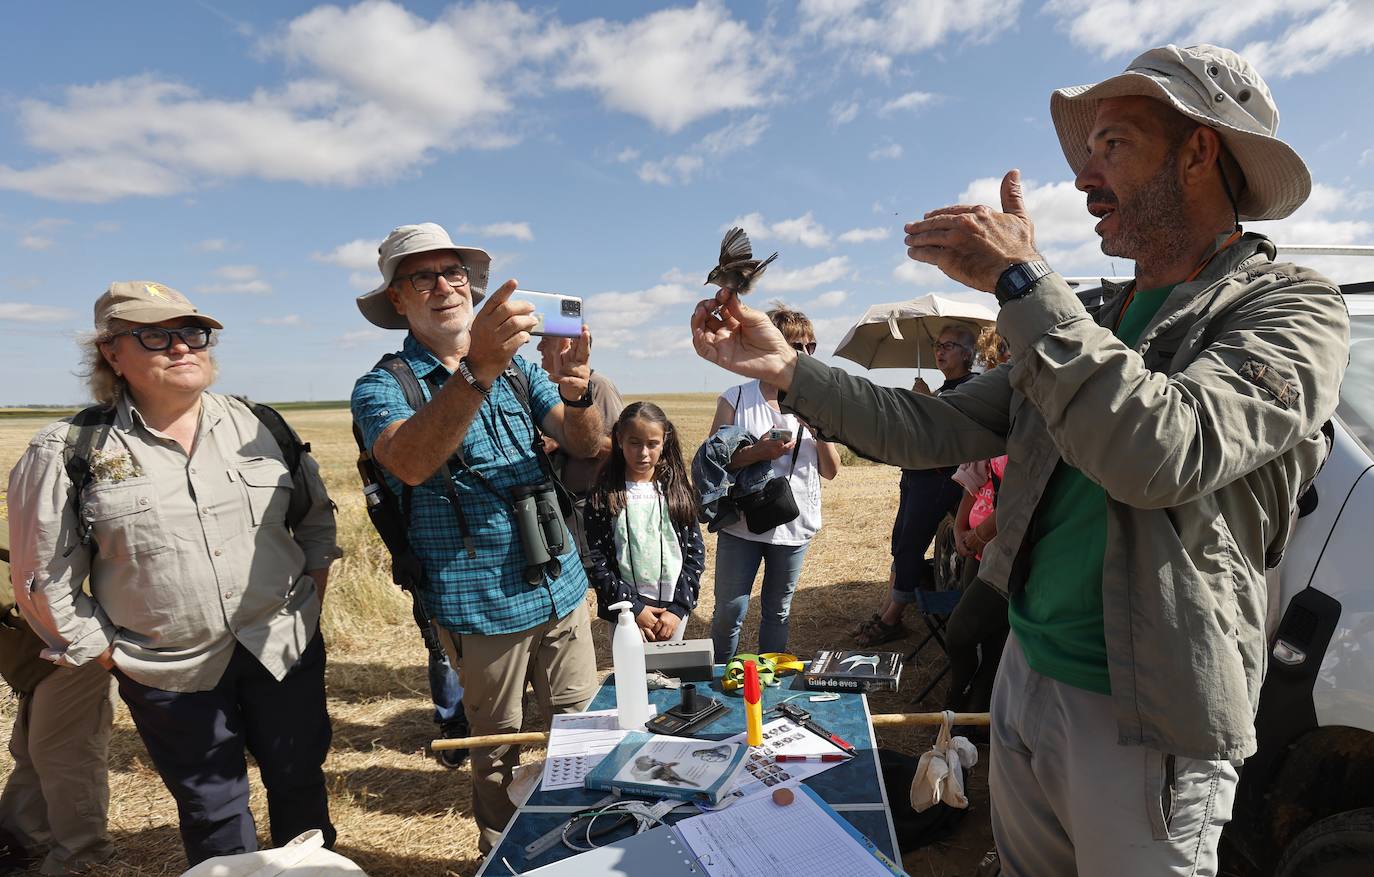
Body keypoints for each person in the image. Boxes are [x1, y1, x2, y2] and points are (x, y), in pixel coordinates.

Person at [691, 44, 1349, 876]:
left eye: (1113, 144)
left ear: (1199, 150)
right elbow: (926, 428)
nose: (1083, 177)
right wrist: (787, 369)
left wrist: (1022, 280)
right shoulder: (1090, 318)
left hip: (1150, 715)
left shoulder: (1294, 308)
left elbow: (1162, 449)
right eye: (1087, 152)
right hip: (1027, 674)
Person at [7, 281, 342, 867]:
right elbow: (42, 578)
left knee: (299, 783)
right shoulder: (68, 448)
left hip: (281, 645)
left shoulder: (261, 425)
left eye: (192, 332)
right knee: (212, 808)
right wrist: (107, 652)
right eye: (156, 336)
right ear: (112, 353)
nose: (182, 347)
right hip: (167, 668)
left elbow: (314, 520)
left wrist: (310, 597)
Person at [350, 223, 603, 853]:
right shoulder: (383, 387)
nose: (444, 287)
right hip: (480, 605)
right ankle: (503, 854)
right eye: (422, 277)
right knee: (496, 747)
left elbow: (585, 444)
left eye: (454, 273)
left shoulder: (519, 370)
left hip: (561, 585)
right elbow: (408, 461)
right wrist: (478, 369)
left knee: (583, 730)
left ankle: (589, 840)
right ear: (398, 300)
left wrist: (577, 393)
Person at [707, 306, 841, 661]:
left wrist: (818, 428)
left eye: (812, 346)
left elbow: (831, 470)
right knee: (729, 612)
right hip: (742, 524)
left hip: (793, 525)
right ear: (771, 345)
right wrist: (757, 453)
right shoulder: (735, 398)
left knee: (777, 611)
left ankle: (769, 685)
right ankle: (718, 685)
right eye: (798, 345)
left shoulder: (817, 401)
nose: (808, 354)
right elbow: (713, 463)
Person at [852, 324, 978, 646]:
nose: (939, 351)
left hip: (939, 479)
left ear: (967, 354)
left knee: (910, 546)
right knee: (900, 542)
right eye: (937, 344)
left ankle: (892, 618)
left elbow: (954, 436)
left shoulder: (974, 387)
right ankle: (885, 611)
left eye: (948, 345)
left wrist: (929, 402)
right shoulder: (945, 388)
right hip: (916, 475)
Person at [1, 528, 116, 875]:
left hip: (70, 649)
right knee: (32, 750)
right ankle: (20, 838)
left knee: (63, 755)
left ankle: (81, 855)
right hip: (38, 656)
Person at [585, 402, 705, 642]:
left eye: (652, 444)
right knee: (632, 676)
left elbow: (695, 553)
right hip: (626, 613)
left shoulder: (676, 491)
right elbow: (596, 559)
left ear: (664, 442)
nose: (643, 453)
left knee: (670, 677)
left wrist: (678, 609)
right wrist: (634, 608)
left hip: (672, 614)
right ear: (619, 440)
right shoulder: (603, 495)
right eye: (634, 443)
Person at [944, 329, 1012, 716]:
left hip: (1008, 548)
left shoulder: (1036, 413)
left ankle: (965, 699)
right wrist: (959, 528)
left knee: (964, 632)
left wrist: (979, 532)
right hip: (977, 544)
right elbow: (974, 475)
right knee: (984, 632)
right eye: (997, 355)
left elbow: (1024, 497)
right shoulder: (999, 412)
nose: (1000, 361)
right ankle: (974, 711)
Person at [536, 334, 624, 563]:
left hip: (591, 503)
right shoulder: (545, 388)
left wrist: (562, 440)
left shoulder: (599, 385)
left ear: (567, 343)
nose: (539, 346)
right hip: (566, 505)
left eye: (546, 339)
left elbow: (621, 447)